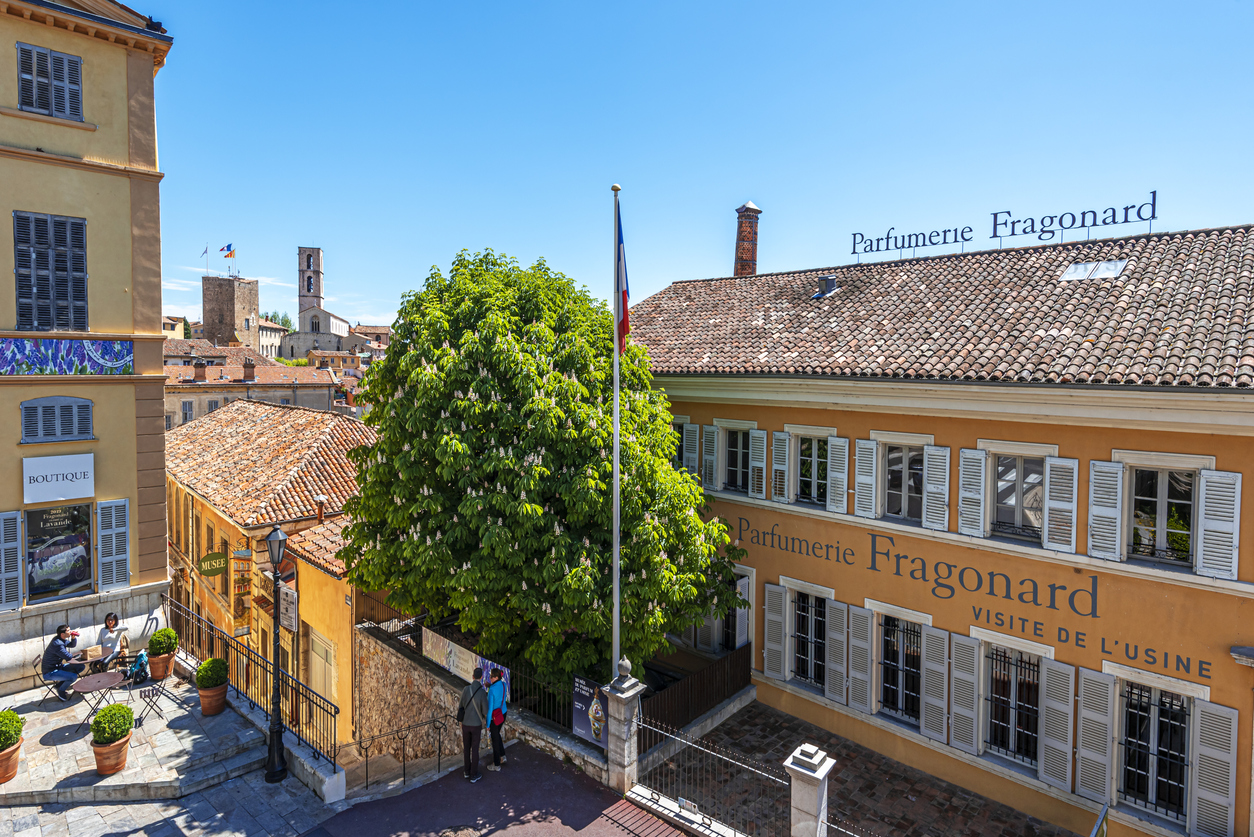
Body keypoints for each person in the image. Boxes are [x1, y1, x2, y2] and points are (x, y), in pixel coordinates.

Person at [458, 667, 489, 782]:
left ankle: (466, 771)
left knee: (466, 748)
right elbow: (485, 711)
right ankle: (474, 774)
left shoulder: (466, 689)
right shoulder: (482, 693)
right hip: (476, 725)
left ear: (472, 676)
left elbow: (461, 705)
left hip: (465, 723)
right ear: (481, 677)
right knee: (475, 749)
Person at [42, 625, 84, 701]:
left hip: (59, 667)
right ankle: (61, 690)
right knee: (73, 677)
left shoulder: (61, 639)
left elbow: (72, 645)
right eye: (68, 631)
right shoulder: (57, 644)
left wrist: (73, 637)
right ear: (62, 634)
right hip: (50, 672)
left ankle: (59, 685)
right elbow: (68, 657)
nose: (70, 631)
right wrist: (76, 656)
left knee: (81, 666)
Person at [485, 668, 508, 771]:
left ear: (496, 677)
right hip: (503, 713)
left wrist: (488, 724)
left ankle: (496, 764)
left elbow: (490, 709)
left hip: (495, 717)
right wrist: (490, 686)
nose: (490, 678)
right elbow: (498, 689)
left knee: (495, 740)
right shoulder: (504, 684)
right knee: (497, 735)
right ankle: (503, 756)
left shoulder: (492, 691)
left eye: (491, 677)